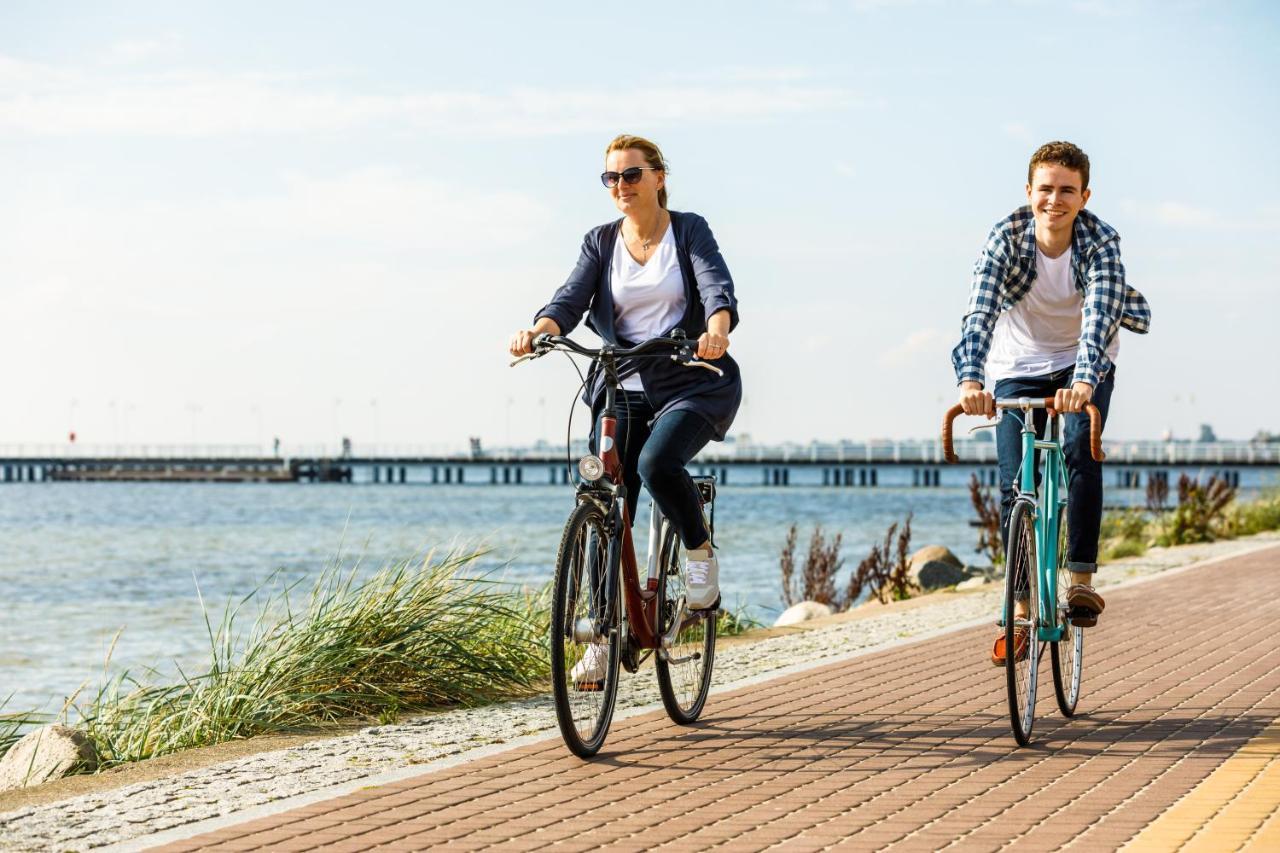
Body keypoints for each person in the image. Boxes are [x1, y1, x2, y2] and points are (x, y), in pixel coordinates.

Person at [508, 134, 742, 681]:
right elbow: (570, 299)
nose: (621, 187)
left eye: (631, 175)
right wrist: (539, 330)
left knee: (656, 465)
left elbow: (715, 286)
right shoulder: (600, 242)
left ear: (658, 177)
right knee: (603, 500)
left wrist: (716, 329)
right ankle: (603, 629)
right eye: (610, 178)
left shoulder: (688, 230)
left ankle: (700, 553)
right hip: (620, 386)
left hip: (690, 377)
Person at [951, 140, 1151, 665]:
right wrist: (970, 382)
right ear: (1029, 192)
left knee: (1080, 448)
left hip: (1083, 360)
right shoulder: (1006, 238)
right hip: (1017, 362)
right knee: (1014, 483)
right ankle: (1019, 612)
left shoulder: (1100, 242)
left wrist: (1084, 382)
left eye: (1067, 190)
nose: (1054, 200)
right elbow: (978, 315)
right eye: (1045, 189)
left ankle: (1080, 578)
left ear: (1084, 196)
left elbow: (1100, 318)